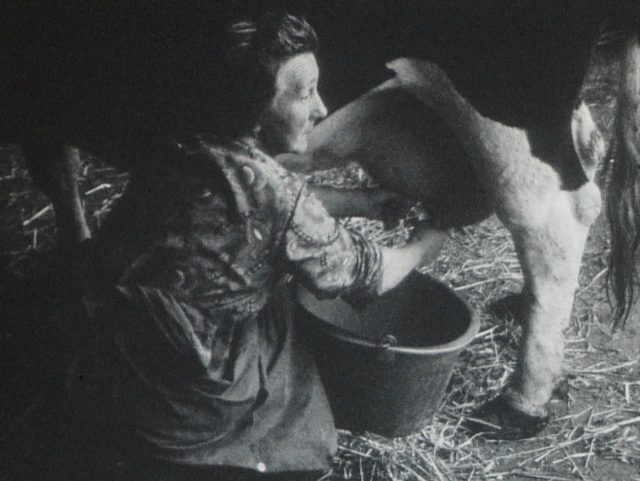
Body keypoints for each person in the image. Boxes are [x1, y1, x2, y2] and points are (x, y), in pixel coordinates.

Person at [69, 12, 445, 481]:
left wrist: (361, 202)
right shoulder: (278, 196)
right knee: (283, 316)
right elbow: (369, 274)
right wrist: (430, 241)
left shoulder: (183, 140)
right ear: (256, 103)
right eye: (304, 92)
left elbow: (251, 207)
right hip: (187, 409)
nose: (322, 109)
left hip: (116, 357)